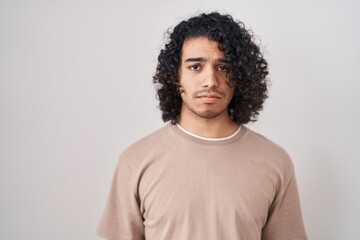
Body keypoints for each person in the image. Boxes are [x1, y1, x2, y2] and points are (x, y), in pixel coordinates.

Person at [97, 12, 307, 240]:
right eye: (195, 67)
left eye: (223, 67)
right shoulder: (136, 162)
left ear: (241, 75)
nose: (210, 81)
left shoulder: (275, 162)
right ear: (175, 76)